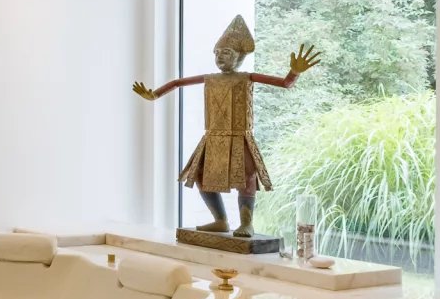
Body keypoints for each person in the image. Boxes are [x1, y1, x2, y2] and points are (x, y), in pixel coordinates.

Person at [132, 15, 321, 237]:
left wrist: (294, 72)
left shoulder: (246, 77)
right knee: (200, 174)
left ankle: (246, 223)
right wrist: (154, 95)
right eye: (217, 53)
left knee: (247, 176)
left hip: (240, 135)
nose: (220, 57)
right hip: (213, 136)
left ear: (239, 56)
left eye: (226, 53)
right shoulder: (210, 78)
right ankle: (220, 220)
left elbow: (285, 83)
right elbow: (177, 83)